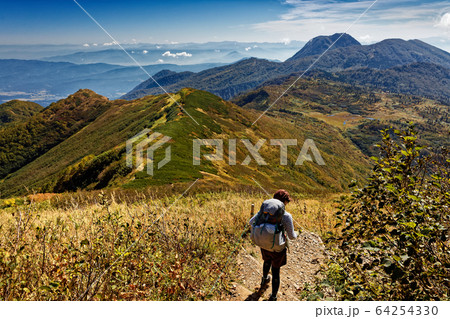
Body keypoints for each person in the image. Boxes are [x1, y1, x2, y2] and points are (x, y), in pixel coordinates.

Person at [249, 189, 297, 301]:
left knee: (266, 261)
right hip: (277, 247)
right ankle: (273, 297)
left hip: (263, 243)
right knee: (276, 270)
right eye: (287, 201)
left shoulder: (263, 212)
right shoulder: (286, 216)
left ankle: (264, 279)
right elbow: (292, 236)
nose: (287, 203)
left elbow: (251, 222)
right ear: (283, 201)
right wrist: (297, 234)